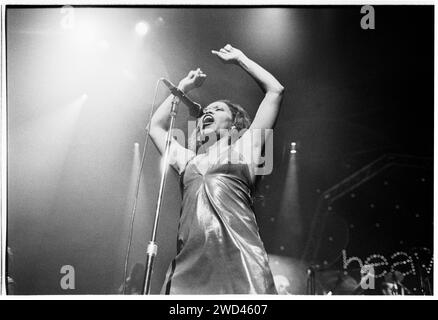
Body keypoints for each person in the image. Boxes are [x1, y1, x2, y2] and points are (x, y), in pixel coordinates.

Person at [149, 44, 284, 294]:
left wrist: (240, 59)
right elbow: (155, 127)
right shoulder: (187, 161)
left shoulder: (246, 149)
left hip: (241, 261)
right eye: (206, 111)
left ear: (234, 124)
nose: (208, 111)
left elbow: (275, 91)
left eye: (218, 109)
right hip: (188, 267)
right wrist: (182, 88)